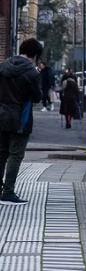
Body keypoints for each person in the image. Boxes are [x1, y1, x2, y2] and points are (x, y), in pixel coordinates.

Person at [0, 39, 44, 203]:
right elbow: (37, 97)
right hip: (20, 118)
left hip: (1, 114)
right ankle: (8, 192)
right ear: (35, 55)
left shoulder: (3, 66)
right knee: (15, 155)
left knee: (1, 154)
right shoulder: (32, 73)